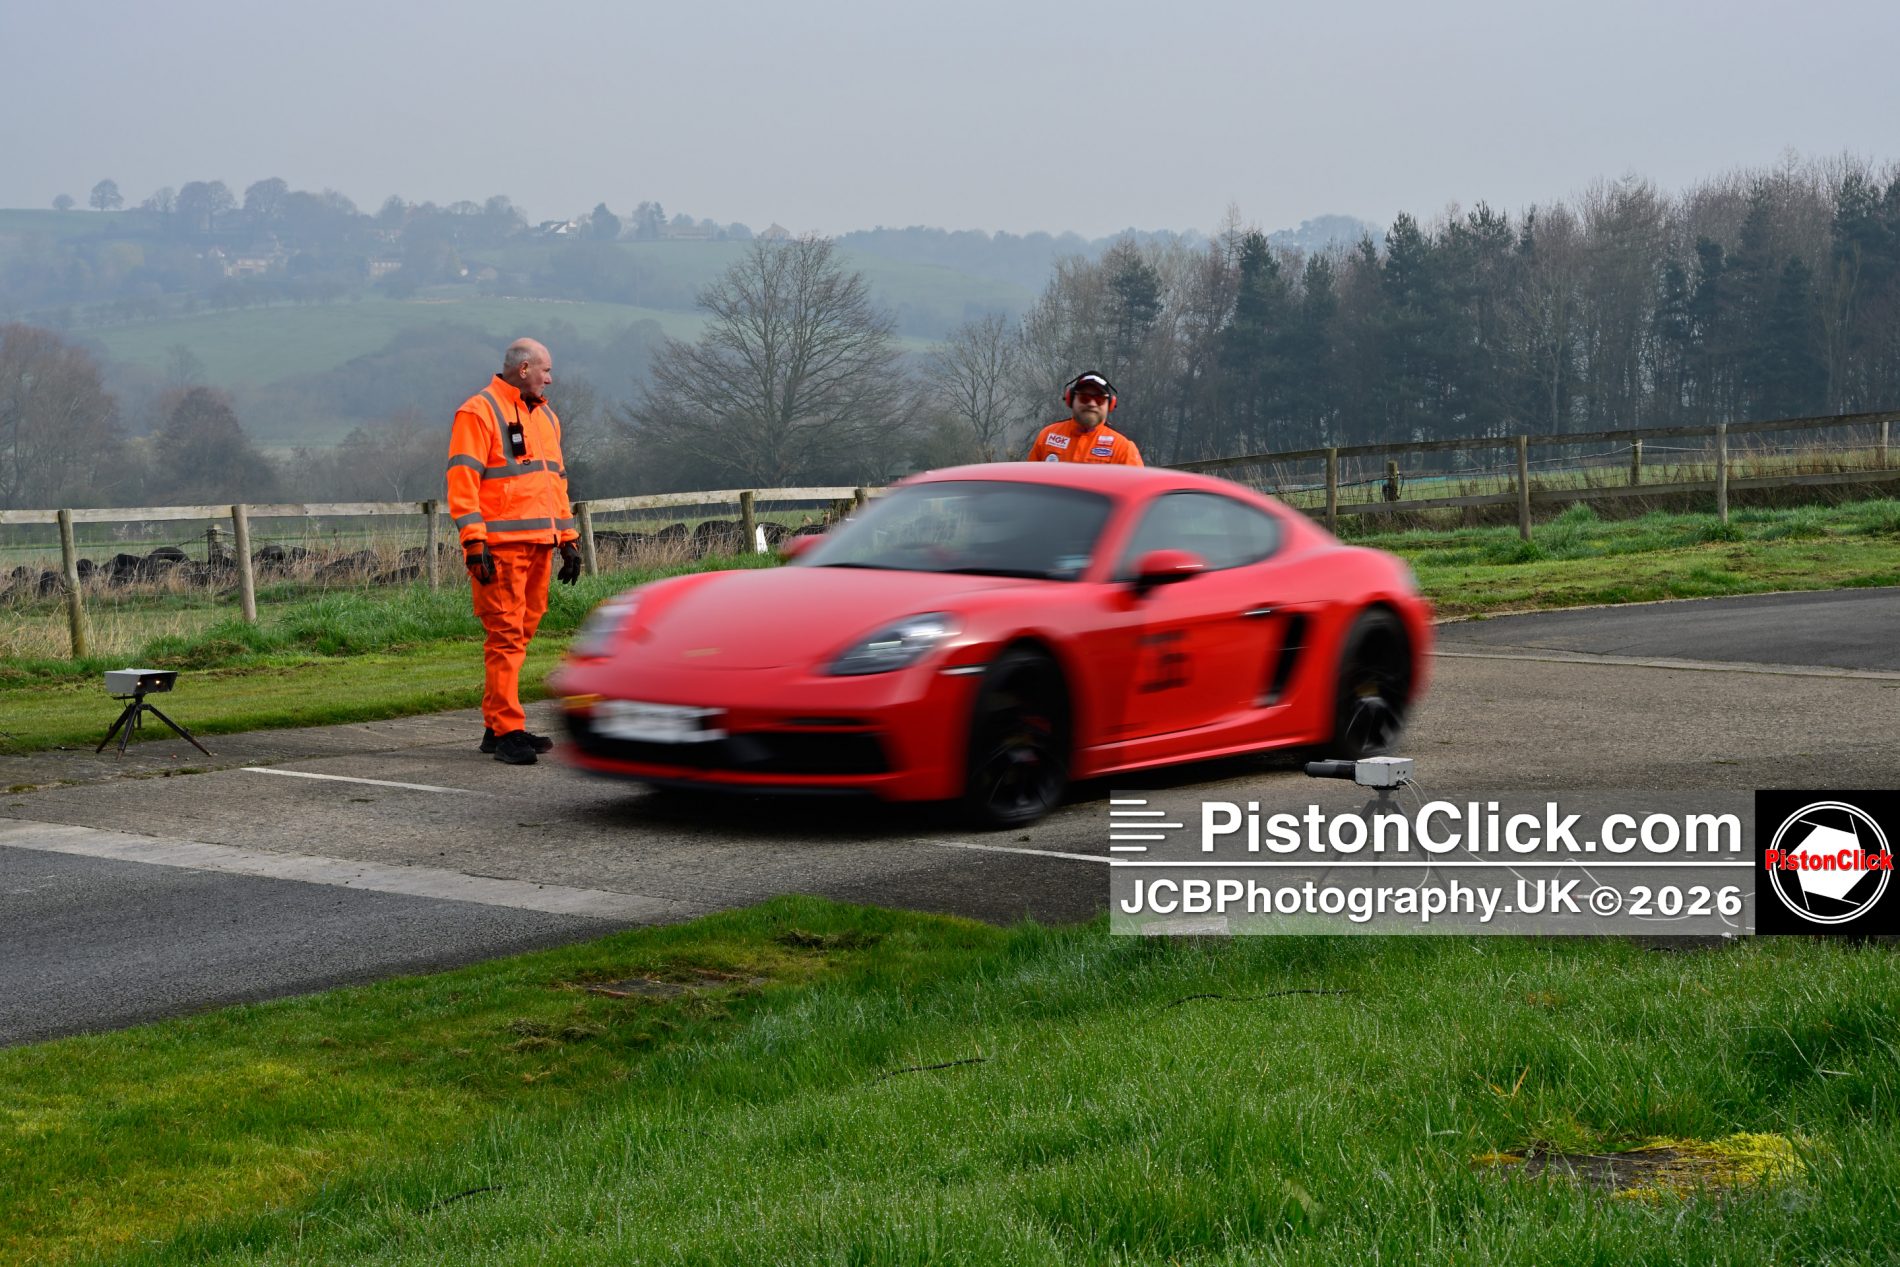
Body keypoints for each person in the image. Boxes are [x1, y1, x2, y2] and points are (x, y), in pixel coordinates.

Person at [446, 337, 583, 765]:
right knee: (505, 637)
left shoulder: (547, 419)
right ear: (524, 369)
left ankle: (496, 726)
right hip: (500, 550)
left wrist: (568, 539)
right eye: (546, 370)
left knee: (520, 635)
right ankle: (507, 730)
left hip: (540, 546)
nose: (550, 378)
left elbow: (555, 482)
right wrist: (474, 541)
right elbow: (462, 481)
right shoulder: (479, 411)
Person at [1026, 371, 1144, 465]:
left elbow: (1139, 492)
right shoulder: (1047, 436)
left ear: (1110, 404)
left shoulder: (1123, 448)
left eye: (1099, 399)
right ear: (1070, 399)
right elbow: (1029, 485)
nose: (1092, 404)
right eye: (1084, 398)